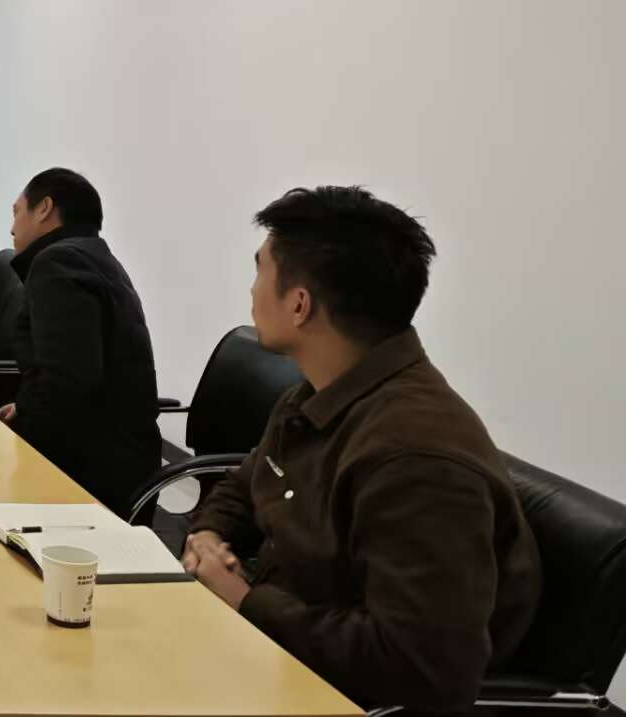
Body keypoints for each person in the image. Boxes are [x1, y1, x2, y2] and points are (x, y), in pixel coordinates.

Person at [183, 187, 540, 711]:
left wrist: (246, 602)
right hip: (276, 646)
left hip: (324, 690)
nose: (252, 289)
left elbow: (420, 669)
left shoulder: (417, 460)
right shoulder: (318, 391)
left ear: (299, 304)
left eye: (260, 270)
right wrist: (209, 534)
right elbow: (247, 484)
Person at [0, 168, 161, 515]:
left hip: (92, 472)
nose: (12, 227)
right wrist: (25, 406)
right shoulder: (90, 255)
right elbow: (70, 368)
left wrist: (23, 424)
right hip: (120, 455)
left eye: (17, 212)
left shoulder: (57, 262)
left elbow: (68, 383)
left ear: (44, 208)